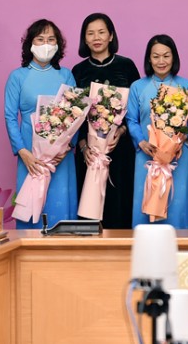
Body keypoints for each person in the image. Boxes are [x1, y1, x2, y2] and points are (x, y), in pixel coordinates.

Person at [4, 19, 78, 229]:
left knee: (60, 206)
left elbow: (76, 114)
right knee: (30, 208)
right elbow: (10, 116)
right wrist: (22, 152)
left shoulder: (66, 75)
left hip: (61, 156)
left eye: (51, 39)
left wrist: (68, 147)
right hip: (30, 155)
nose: (46, 44)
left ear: (58, 45)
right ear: (30, 43)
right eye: (40, 39)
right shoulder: (18, 76)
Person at [72, 13, 140, 228]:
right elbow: (73, 115)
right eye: (90, 33)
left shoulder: (127, 66)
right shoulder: (78, 71)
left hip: (119, 150)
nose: (96, 37)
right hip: (89, 154)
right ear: (84, 39)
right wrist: (84, 146)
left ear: (111, 35)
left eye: (101, 32)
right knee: (89, 212)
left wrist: (121, 131)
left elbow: (136, 109)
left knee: (120, 207)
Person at [129, 34, 188, 228]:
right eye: (156, 56)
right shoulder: (138, 87)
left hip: (178, 156)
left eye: (166, 56)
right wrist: (141, 142)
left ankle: (181, 243)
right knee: (146, 200)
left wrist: (184, 139)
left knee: (177, 203)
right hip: (147, 154)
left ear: (174, 57)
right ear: (149, 59)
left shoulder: (187, 86)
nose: (161, 61)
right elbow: (131, 119)